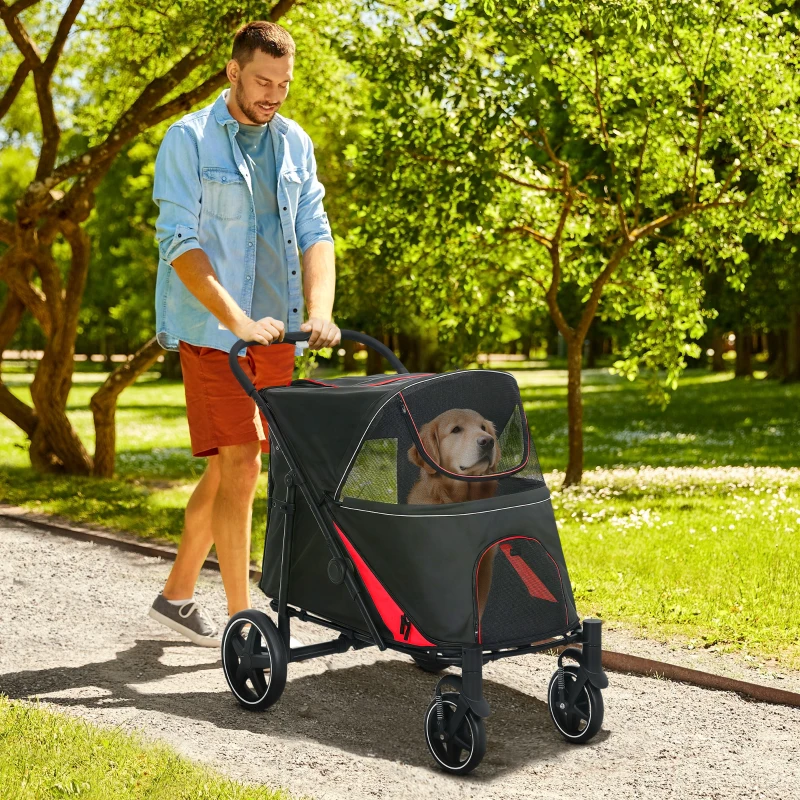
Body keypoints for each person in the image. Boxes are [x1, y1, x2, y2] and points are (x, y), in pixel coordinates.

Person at [148, 20, 340, 646]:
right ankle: (243, 619)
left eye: (284, 84)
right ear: (233, 72)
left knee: (237, 467)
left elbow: (315, 231)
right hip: (214, 333)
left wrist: (320, 309)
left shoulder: (294, 143)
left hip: (278, 336)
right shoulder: (189, 140)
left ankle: (177, 596)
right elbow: (181, 242)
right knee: (241, 461)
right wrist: (236, 320)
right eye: (263, 81)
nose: (274, 95)